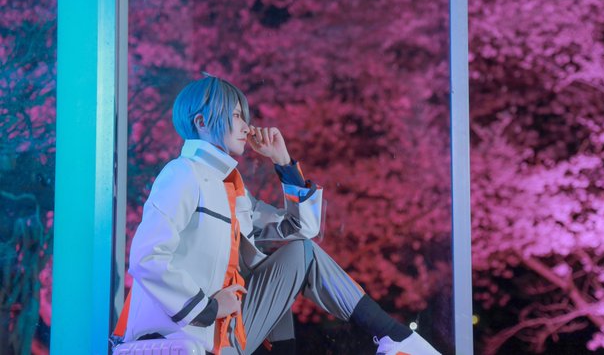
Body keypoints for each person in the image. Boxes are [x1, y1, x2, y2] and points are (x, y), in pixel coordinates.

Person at [114, 75, 440, 355]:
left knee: (297, 255)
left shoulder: (231, 189)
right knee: (300, 256)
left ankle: (395, 338)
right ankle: (396, 338)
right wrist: (208, 308)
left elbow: (301, 228)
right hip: (189, 336)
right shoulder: (182, 174)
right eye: (237, 116)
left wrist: (283, 162)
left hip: (220, 332)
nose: (247, 126)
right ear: (202, 123)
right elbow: (147, 257)